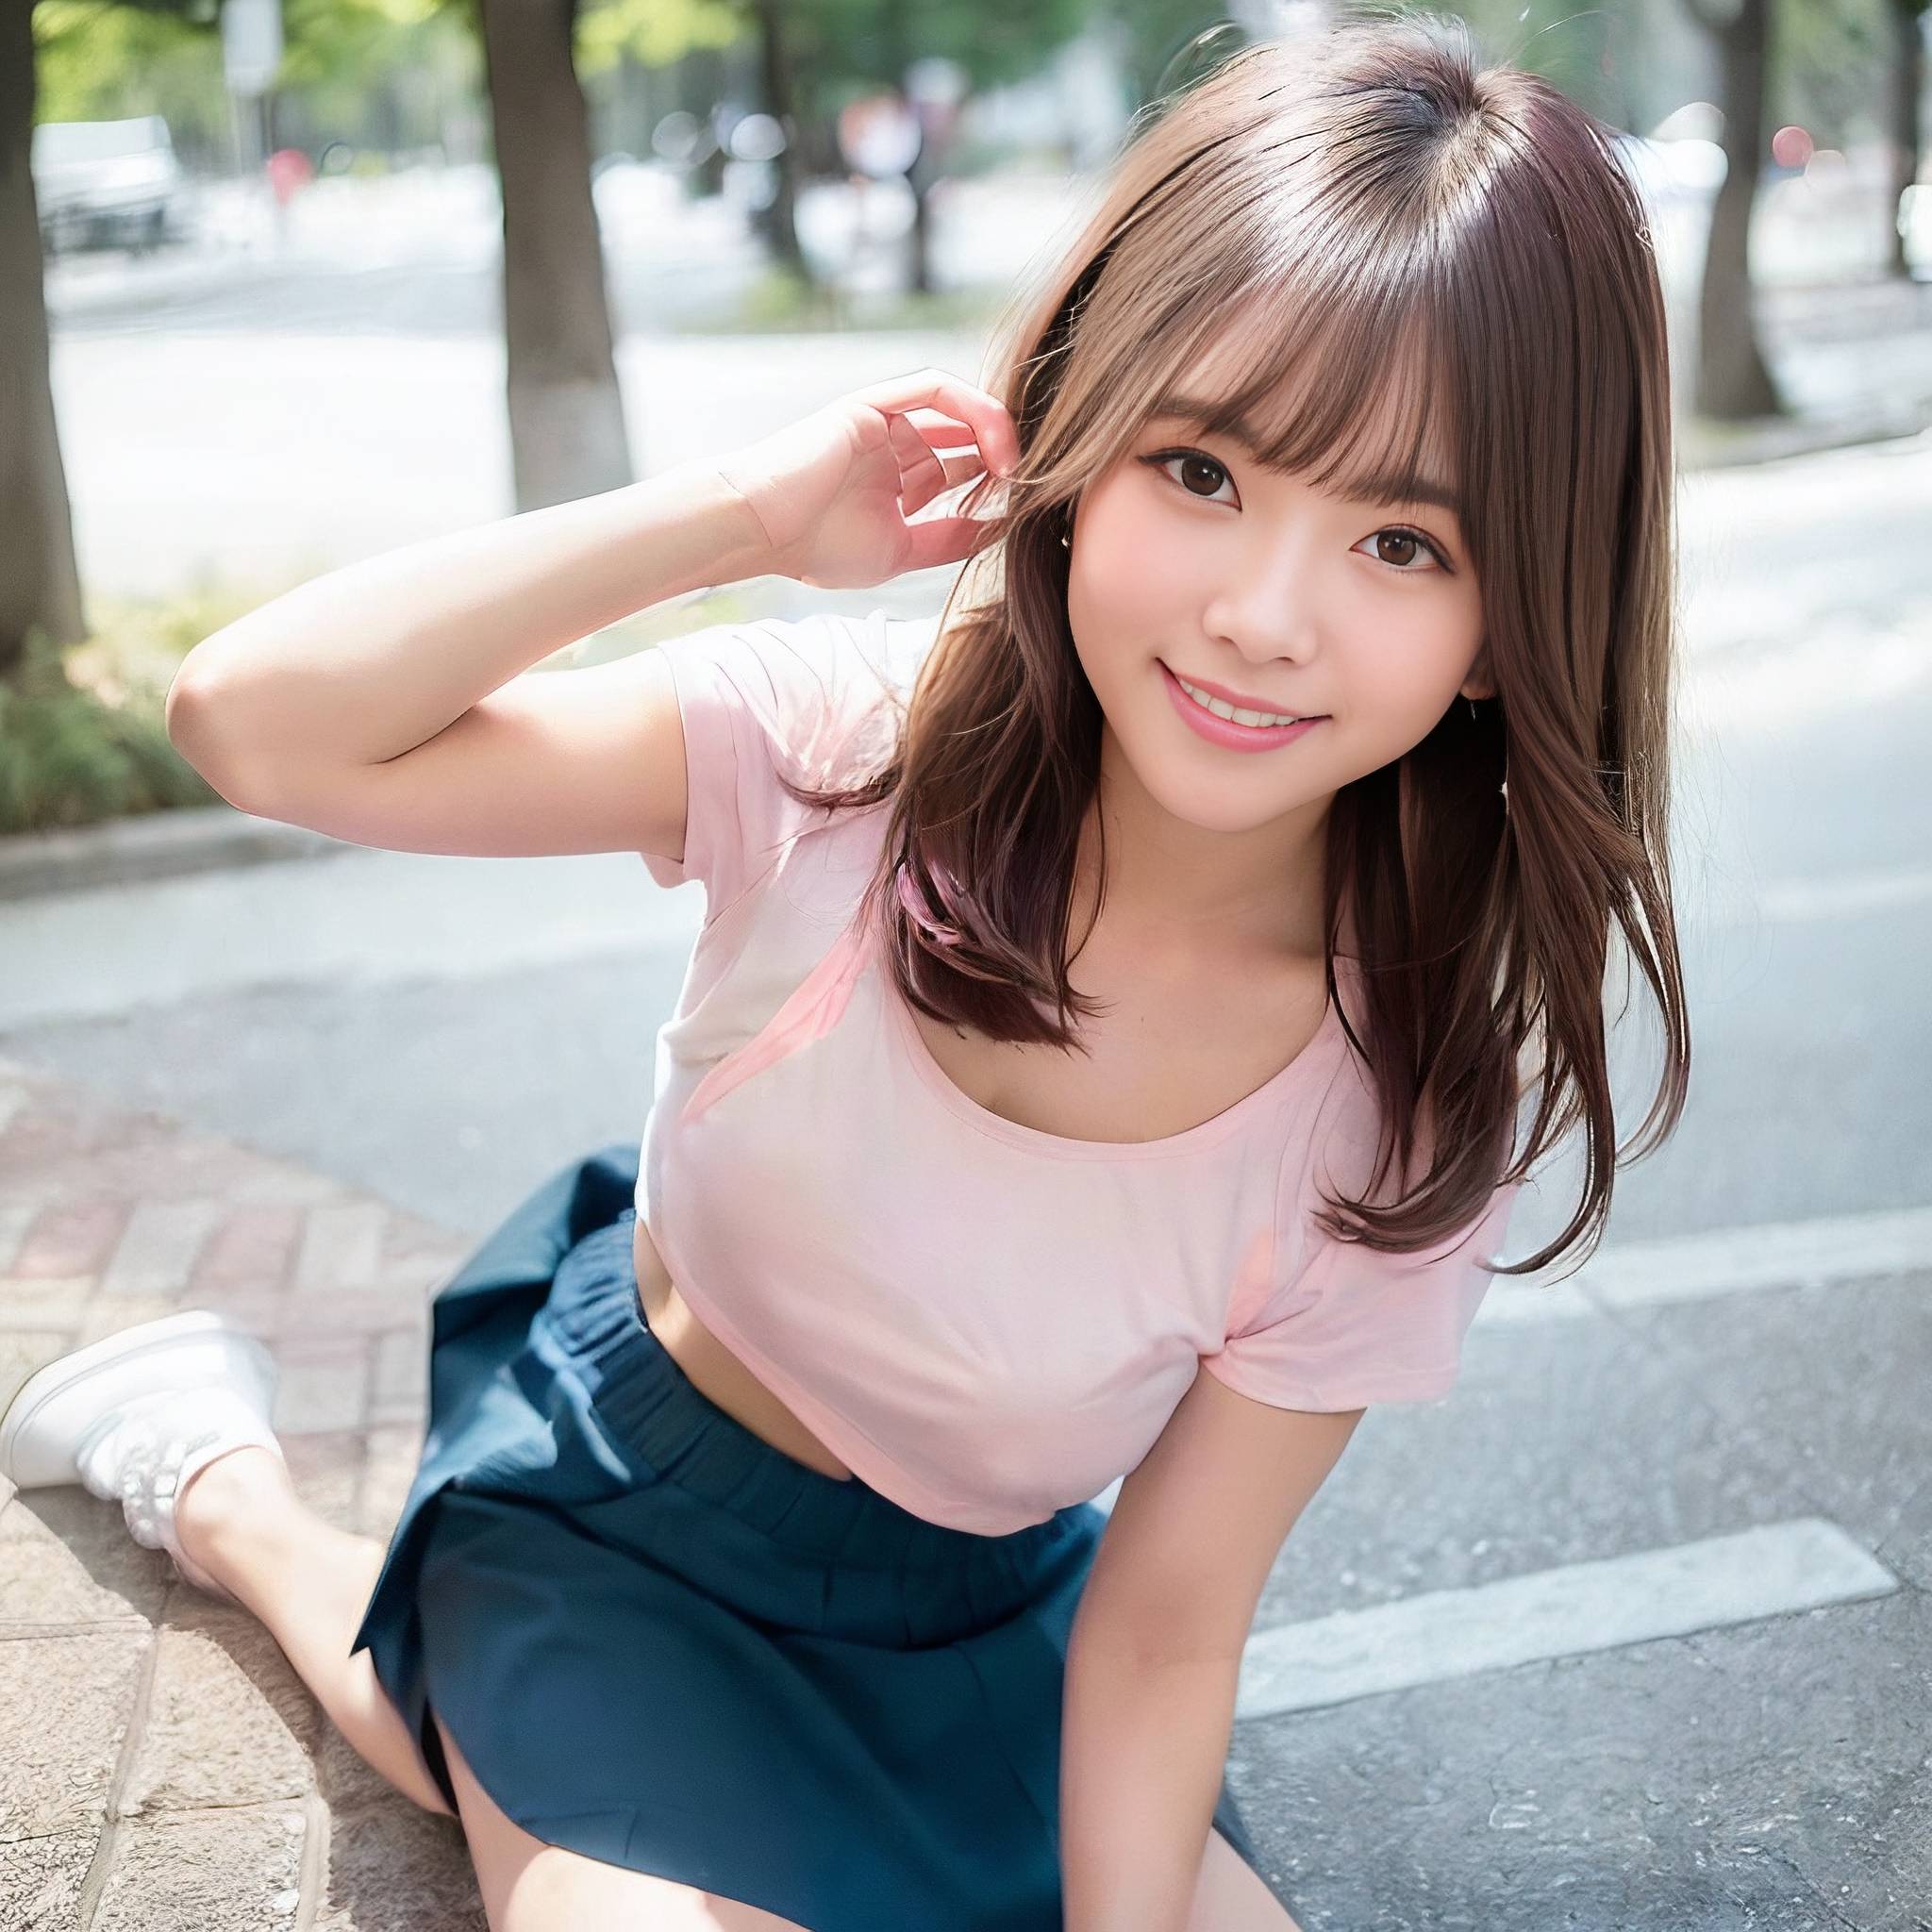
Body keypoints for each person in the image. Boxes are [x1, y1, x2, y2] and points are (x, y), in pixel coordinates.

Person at [0, 14, 1690, 1930]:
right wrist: (745, 519)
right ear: (1075, 431)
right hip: (621, 1519)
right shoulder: (849, 758)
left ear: (1506, 627)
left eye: (1400, 538)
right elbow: (258, 724)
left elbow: (1166, 1625)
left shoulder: (1395, 1112)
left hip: (986, 1612)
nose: (1261, 613)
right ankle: (221, 1490)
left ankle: (375, 1633)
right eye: (1201, 468)